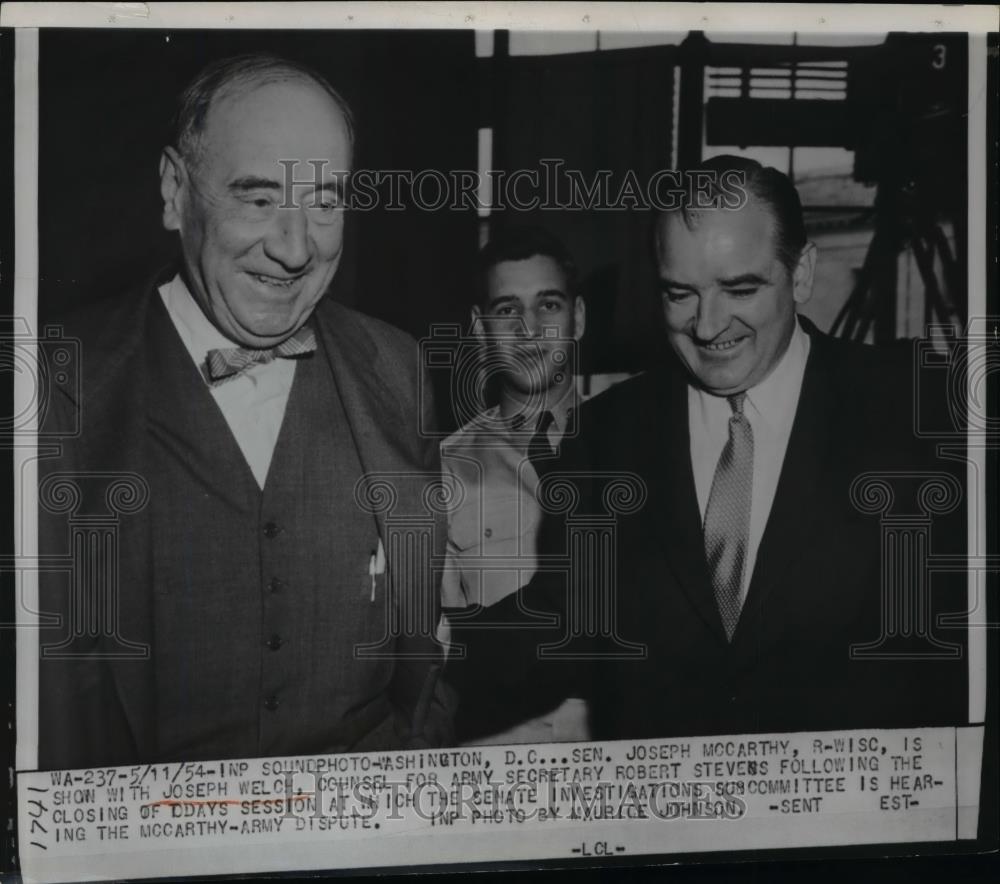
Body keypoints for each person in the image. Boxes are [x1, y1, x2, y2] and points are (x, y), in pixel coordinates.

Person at [448, 156, 967, 739]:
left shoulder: (920, 412)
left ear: (801, 274)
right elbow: (562, 623)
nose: (708, 325)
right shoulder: (605, 434)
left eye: (739, 288)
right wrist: (416, 653)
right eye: (680, 294)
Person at [37, 53, 450, 769]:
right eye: (258, 200)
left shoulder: (398, 368)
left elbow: (423, 657)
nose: (294, 249)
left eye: (324, 203)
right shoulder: (51, 385)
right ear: (175, 191)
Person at [439, 226, 589, 744]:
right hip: (502, 749)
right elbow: (442, 650)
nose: (530, 329)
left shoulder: (639, 444)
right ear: (479, 329)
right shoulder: (444, 474)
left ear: (579, 317)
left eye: (548, 305)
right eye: (507, 310)